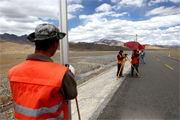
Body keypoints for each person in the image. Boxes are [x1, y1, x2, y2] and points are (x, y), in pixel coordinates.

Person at [8, 23, 77, 120]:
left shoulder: (13, 71)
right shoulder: (62, 73)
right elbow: (72, 94)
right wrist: (70, 74)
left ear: (36, 43)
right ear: (54, 43)